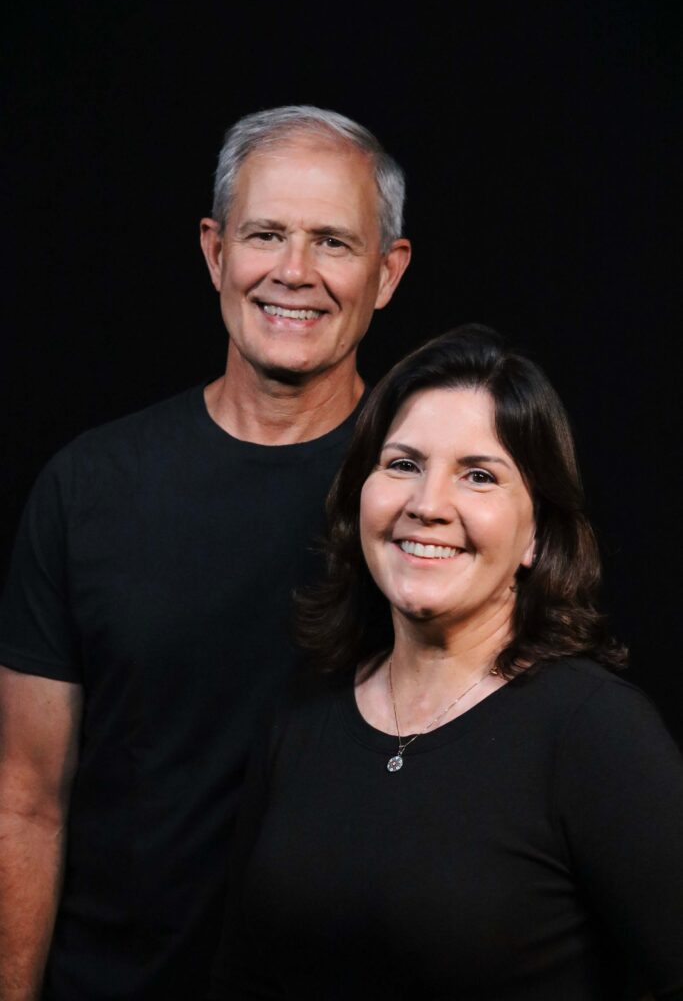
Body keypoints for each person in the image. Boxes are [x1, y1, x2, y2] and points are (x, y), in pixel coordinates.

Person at [0, 106, 411, 1001]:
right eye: (265, 234)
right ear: (214, 251)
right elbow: (25, 799)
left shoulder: (423, 505)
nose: (293, 272)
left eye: (333, 243)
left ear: (386, 273)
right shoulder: (88, 487)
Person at [210, 324, 683, 1000]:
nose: (427, 505)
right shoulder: (305, 710)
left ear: (536, 535)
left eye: (479, 476)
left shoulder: (596, 734)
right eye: (403, 464)